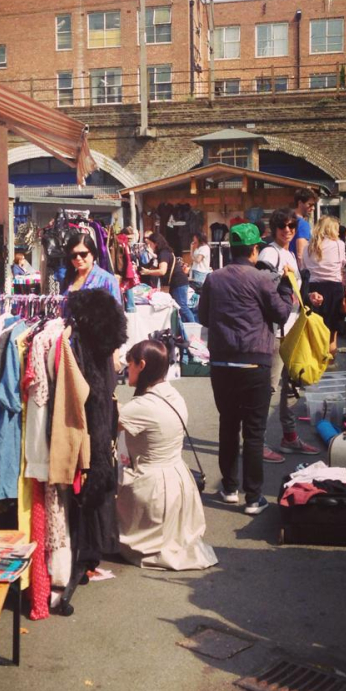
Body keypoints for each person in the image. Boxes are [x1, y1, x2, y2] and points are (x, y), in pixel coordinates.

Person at [198, 223, 293, 516]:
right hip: (255, 362)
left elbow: (203, 317)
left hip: (222, 362)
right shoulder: (262, 279)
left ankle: (229, 488)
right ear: (254, 250)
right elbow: (281, 313)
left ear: (230, 250)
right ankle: (254, 498)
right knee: (254, 432)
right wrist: (287, 290)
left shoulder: (213, 279)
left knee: (228, 424)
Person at [116, 340, 217, 570]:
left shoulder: (141, 406)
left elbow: (104, 423)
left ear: (141, 365)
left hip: (153, 488)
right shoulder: (173, 395)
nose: (125, 369)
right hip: (178, 482)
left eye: (129, 364)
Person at [258, 209, 323, 461]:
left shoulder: (289, 254)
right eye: (283, 226)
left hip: (292, 328)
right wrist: (280, 276)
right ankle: (258, 442)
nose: (288, 230)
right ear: (274, 228)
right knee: (270, 388)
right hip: (276, 332)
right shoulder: (269, 252)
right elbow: (263, 289)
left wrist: (309, 297)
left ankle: (290, 437)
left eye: (292, 227)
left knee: (291, 387)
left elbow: (292, 291)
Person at [302, 215, 346, 357]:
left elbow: (304, 267)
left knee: (315, 327)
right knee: (332, 331)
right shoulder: (339, 244)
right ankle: (330, 361)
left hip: (313, 288)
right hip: (333, 288)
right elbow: (342, 263)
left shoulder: (307, 247)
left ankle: (315, 360)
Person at [140, 232, 194, 323]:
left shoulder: (163, 253)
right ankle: (185, 328)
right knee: (178, 308)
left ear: (156, 243)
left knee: (182, 307)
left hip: (178, 282)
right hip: (176, 283)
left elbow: (162, 271)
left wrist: (148, 272)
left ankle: (194, 327)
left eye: (150, 244)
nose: (149, 246)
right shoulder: (164, 252)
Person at [64, 232, 121, 301]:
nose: (78, 258)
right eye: (74, 255)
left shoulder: (107, 280)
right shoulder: (68, 278)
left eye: (83, 254)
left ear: (93, 254)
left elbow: (116, 310)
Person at [288, 187, 318, 267]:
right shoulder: (302, 224)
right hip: (297, 270)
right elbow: (301, 254)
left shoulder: (288, 219)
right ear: (300, 203)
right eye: (310, 204)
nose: (313, 208)